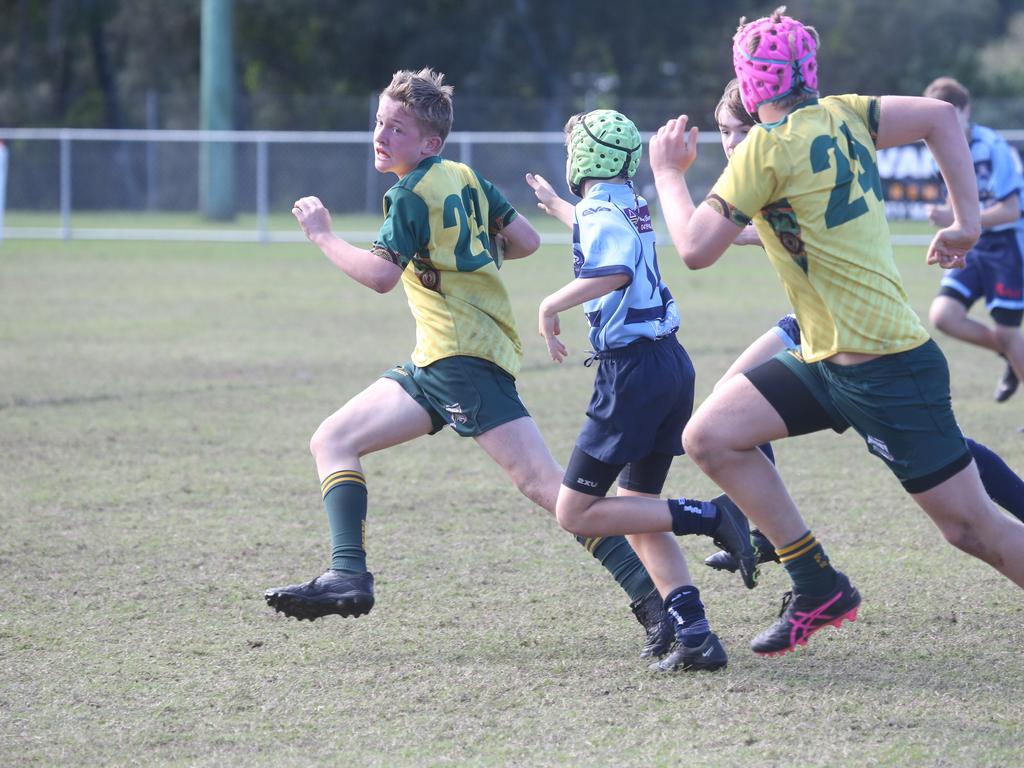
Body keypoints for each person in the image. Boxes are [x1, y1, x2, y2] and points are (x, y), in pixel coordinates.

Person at [263, 68, 679, 660]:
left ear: (430, 142)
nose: (381, 135)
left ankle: (654, 602)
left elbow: (381, 277)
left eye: (398, 128)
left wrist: (323, 236)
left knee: (551, 490)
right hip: (437, 358)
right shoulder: (465, 176)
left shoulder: (408, 196)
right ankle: (347, 574)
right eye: (380, 122)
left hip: (464, 359)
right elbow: (529, 242)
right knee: (332, 439)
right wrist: (473, 251)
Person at [648, 6, 1024, 658]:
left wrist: (668, 174)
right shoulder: (845, 111)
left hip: (884, 364)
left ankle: (816, 580)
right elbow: (937, 119)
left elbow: (694, 248)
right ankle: (816, 583)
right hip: (828, 356)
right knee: (712, 436)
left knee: (973, 531)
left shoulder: (764, 148)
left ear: (748, 80)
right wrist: (964, 221)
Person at [701, 78, 1024, 574]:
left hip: (848, 331)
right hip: (821, 327)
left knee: (956, 481)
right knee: (723, 418)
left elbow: (700, 245)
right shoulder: (775, 156)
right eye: (724, 132)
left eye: (741, 130)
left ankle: (773, 535)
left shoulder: (777, 152)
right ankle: (772, 534)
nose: (732, 143)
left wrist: (672, 178)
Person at [528, 109, 757, 672]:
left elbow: (616, 272)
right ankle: (696, 634)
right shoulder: (625, 200)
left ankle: (710, 516)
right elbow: (599, 227)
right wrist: (558, 205)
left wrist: (551, 303)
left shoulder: (604, 207)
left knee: (576, 512)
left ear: (584, 156)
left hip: (631, 372)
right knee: (635, 511)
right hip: (668, 363)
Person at [923, 77, 1024, 405]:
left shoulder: (992, 147)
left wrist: (967, 221)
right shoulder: (940, 148)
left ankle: (1011, 348)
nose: (944, 125)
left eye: (951, 115)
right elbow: (962, 202)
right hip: (974, 245)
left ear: (966, 111)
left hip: (1006, 247)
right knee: (943, 315)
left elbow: (1011, 210)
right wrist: (946, 215)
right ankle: (1010, 353)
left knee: (1010, 332)